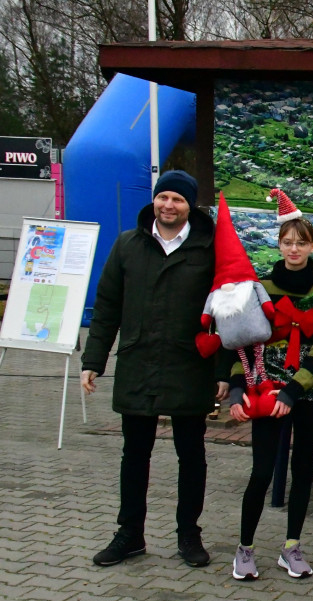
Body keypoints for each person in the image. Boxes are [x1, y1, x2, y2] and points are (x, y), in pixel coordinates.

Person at [82, 170, 226, 568]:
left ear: (189, 206)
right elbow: (107, 305)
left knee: (191, 454)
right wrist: (92, 360)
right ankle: (130, 534)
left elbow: (228, 312)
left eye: (177, 200)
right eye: (163, 197)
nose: (168, 205)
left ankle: (188, 535)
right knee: (135, 453)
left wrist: (222, 370)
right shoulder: (128, 244)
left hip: (189, 365)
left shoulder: (209, 248)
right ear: (154, 201)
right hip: (138, 361)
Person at [228, 190, 313, 580]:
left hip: (305, 390)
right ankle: (245, 548)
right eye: (287, 242)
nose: (294, 249)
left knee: (303, 468)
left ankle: (292, 546)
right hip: (268, 388)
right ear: (279, 243)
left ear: (312, 245)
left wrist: (295, 390)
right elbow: (245, 343)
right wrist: (239, 390)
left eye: (302, 242)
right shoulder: (260, 286)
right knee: (261, 471)